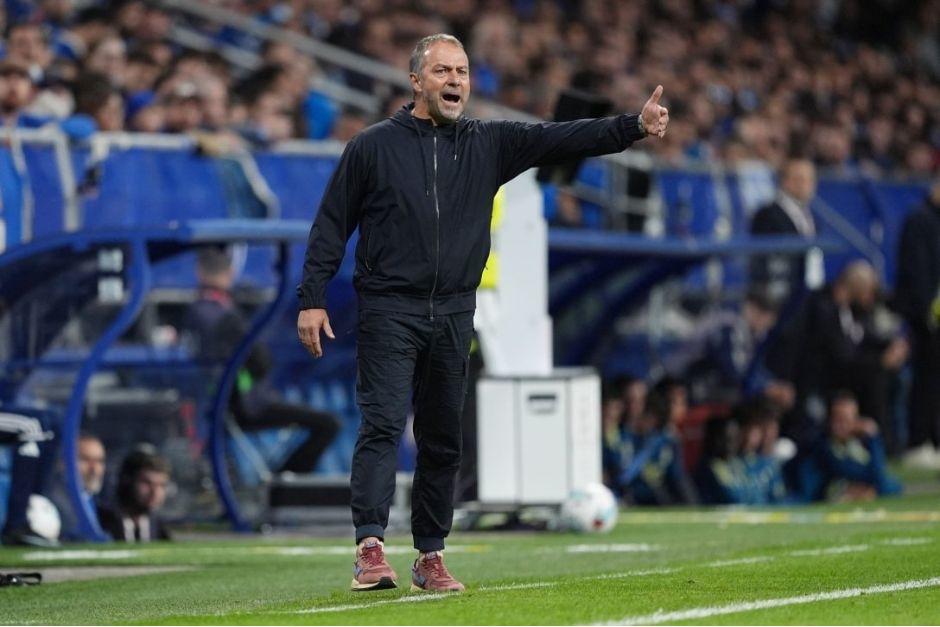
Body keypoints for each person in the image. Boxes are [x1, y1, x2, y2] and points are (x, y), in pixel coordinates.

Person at [296, 33, 669, 592]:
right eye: (443, 71)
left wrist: (633, 126)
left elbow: (561, 138)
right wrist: (312, 298)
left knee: (444, 438)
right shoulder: (371, 147)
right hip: (390, 307)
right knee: (383, 424)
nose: (455, 80)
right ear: (416, 81)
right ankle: (370, 547)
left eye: (463, 72)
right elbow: (331, 225)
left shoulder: (490, 143)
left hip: (454, 311)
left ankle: (429, 555)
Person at [184, 247, 340, 476]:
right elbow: (260, 362)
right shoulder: (225, 317)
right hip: (247, 405)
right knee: (329, 424)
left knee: (326, 423)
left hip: (231, 402)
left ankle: (285, 480)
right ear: (230, 273)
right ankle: (286, 483)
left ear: (199, 272)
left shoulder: (199, 312)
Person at [894, 181, 940, 469]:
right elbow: (917, 271)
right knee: (926, 378)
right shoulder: (919, 220)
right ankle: (919, 441)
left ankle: (933, 440)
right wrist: (925, 312)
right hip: (925, 319)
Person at [749, 158, 823, 305]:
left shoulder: (811, 215)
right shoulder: (768, 214)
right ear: (784, 181)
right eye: (799, 179)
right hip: (781, 295)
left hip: (808, 293)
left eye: (810, 179)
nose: (806, 185)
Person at [97, 447, 171, 542]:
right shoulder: (101, 523)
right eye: (147, 483)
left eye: (162, 485)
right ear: (127, 481)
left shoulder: (159, 529)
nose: (155, 492)